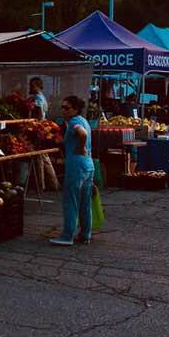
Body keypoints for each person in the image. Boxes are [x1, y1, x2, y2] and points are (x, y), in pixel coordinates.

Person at [50, 95, 94, 246]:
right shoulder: (83, 120)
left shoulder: (75, 122)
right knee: (84, 203)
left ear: (75, 109)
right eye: (62, 107)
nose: (63, 110)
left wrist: (80, 148)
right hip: (88, 166)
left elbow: (82, 134)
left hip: (76, 166)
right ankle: (85, 234)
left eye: (66, 108)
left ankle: (67, 236)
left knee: (71, 201)